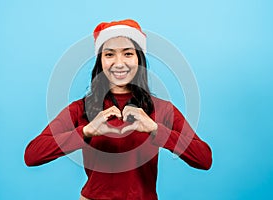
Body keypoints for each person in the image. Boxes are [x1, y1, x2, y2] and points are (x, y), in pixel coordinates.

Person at [24, 19, 212, 200]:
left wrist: (156, 130)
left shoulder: (162, 109)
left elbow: (204, 159)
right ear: (101, 62)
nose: (119, 63)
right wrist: (86, 131)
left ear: (139, 59)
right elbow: (32, 155)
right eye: (109, 54)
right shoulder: (80, 109)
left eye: (128, 53)